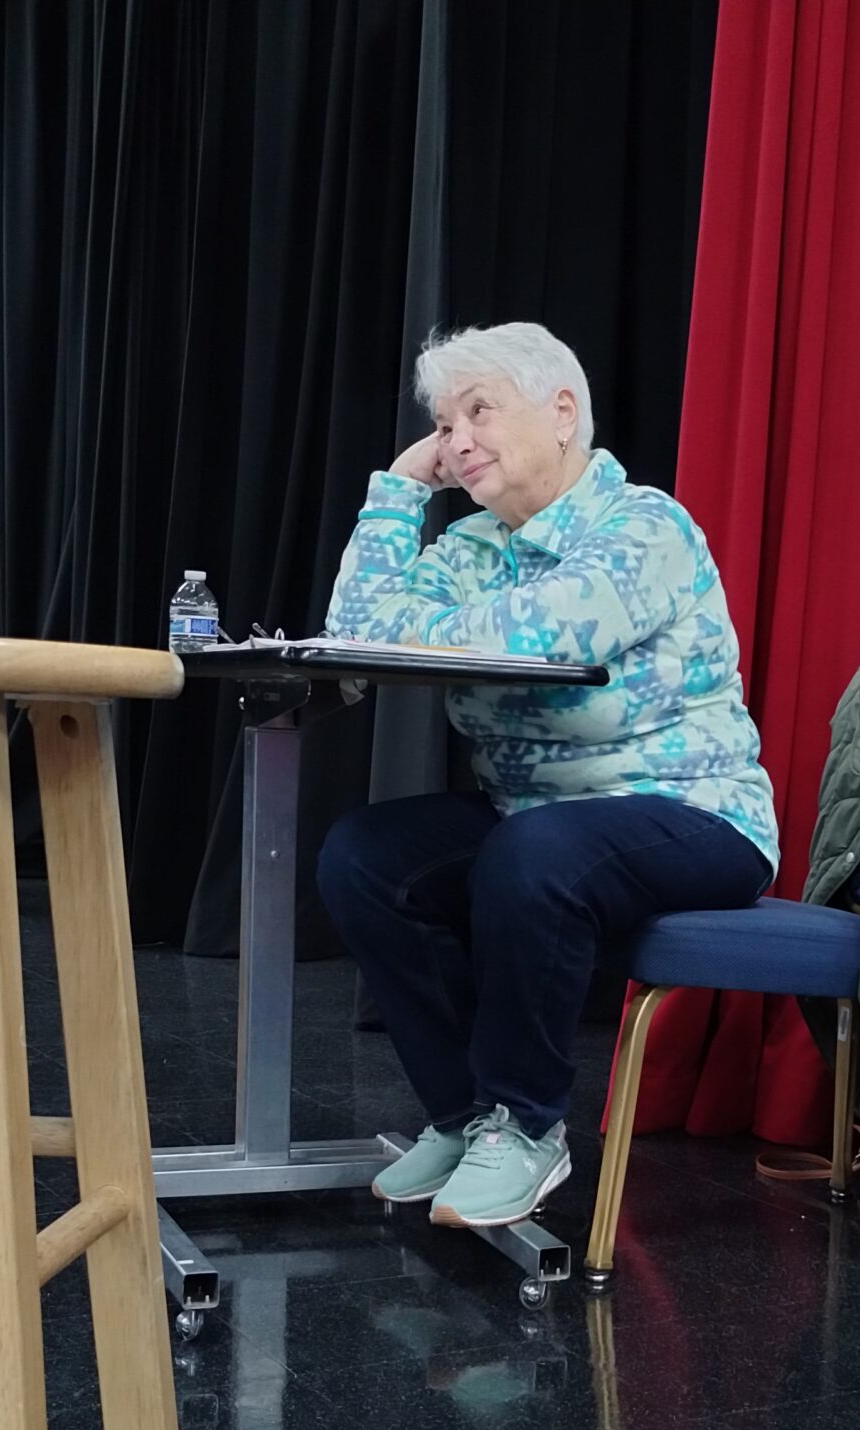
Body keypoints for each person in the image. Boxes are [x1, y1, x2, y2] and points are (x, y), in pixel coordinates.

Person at [317, 322, 777, 1229]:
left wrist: (425, 630)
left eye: (478, 412)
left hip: (693, 814)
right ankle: (463, 1116)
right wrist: (402, 487)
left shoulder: (644, 526)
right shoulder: (473, 547)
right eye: (443, 426)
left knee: (534, 852)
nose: (457, 441)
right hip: (536, 818)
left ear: (562, 412)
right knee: (363, 857)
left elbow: (546, 636)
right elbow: (355, 635)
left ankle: (526, 1124)